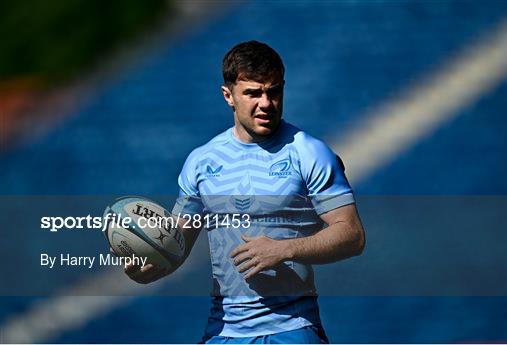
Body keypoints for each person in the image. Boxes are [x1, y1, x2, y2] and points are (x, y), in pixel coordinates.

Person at [125, 40, 365, 344]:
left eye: (274, 91)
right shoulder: (202, 162)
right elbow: (176, 246)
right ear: (229, 96)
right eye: (253, 93)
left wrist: (285, 249)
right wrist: (149, 266)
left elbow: (353, 235)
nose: (266, 103)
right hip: (223, 332)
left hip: (291, 329)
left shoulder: (310, 152)